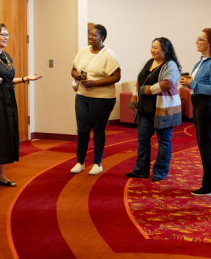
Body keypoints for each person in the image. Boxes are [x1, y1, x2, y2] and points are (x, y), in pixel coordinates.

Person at [0, 23, 42, 191]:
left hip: (8, 101)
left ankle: (2, 175)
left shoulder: (6, 56)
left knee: (5, 136)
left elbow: (7, 80)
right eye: (2, 34)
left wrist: (26, 78)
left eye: (7, 34)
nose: (6, 37)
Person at [125, 37, 182, 181]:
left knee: (163, 141)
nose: (152, 50)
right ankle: (140, 170)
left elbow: (168, 83)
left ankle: (160, 172)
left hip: (163, 109)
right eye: (152, 47)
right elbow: (139, 82)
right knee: (142, 139)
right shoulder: (148, 62)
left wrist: (148, 90)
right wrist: (135, 98)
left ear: (165, 50)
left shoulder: (171, 65)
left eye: (156, 47)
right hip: (145, 109)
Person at [179, 28, 211, 196]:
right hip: (200, 103)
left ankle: (210, 186)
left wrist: (192, 84)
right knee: (206, 144)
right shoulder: (201, 61)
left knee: (207, 145)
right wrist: (188, 82)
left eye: (200, 39)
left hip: (208, 104)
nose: (196, 42)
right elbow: (197, 84)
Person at [70, 24, 121, 175]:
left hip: (102, 98)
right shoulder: (83, 51)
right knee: (82, 130)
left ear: (102, 38)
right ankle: (80, 162)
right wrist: (77, 75)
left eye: (94, 35)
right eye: (89, 34)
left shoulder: (109, 55)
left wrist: (94, 83)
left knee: (98, 131)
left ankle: (97, 164)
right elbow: (73, 69)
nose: (90, 37)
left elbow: (116, 77)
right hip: (82, 96)